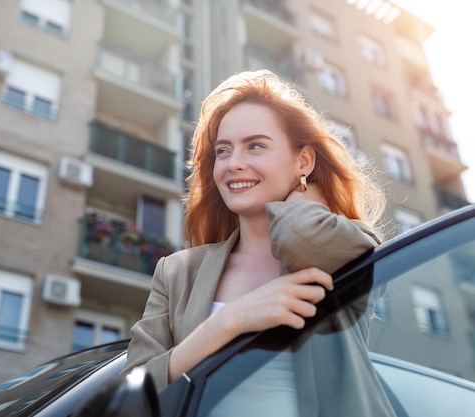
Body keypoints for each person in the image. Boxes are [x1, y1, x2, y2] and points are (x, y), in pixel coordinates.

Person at [123, 69, 394, 416]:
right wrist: (226, 323)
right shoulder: (178, 273)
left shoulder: (348, 245)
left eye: (255, 146)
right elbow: (130, 395)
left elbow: (303, 237)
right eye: (223, 151)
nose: (234, 164)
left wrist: (303, 195)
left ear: (304, 160)